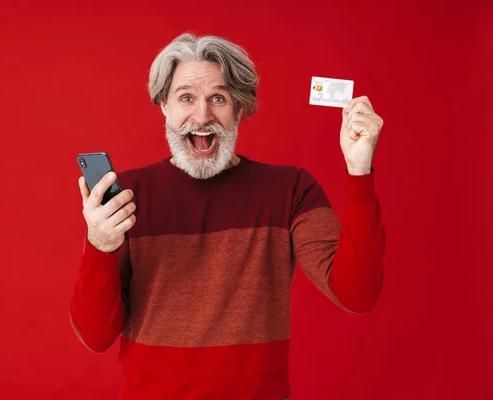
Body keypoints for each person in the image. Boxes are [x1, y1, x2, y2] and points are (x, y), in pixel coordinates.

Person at [70, 33, 385, 400]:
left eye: (218, 98)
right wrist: (100, 245)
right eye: (186, 97)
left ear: (240, 108)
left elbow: (358, 295)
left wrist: (359, 170)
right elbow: (95, 336)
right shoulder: (125, 199)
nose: (202, 117)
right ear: (164, 108)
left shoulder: (291, 190)